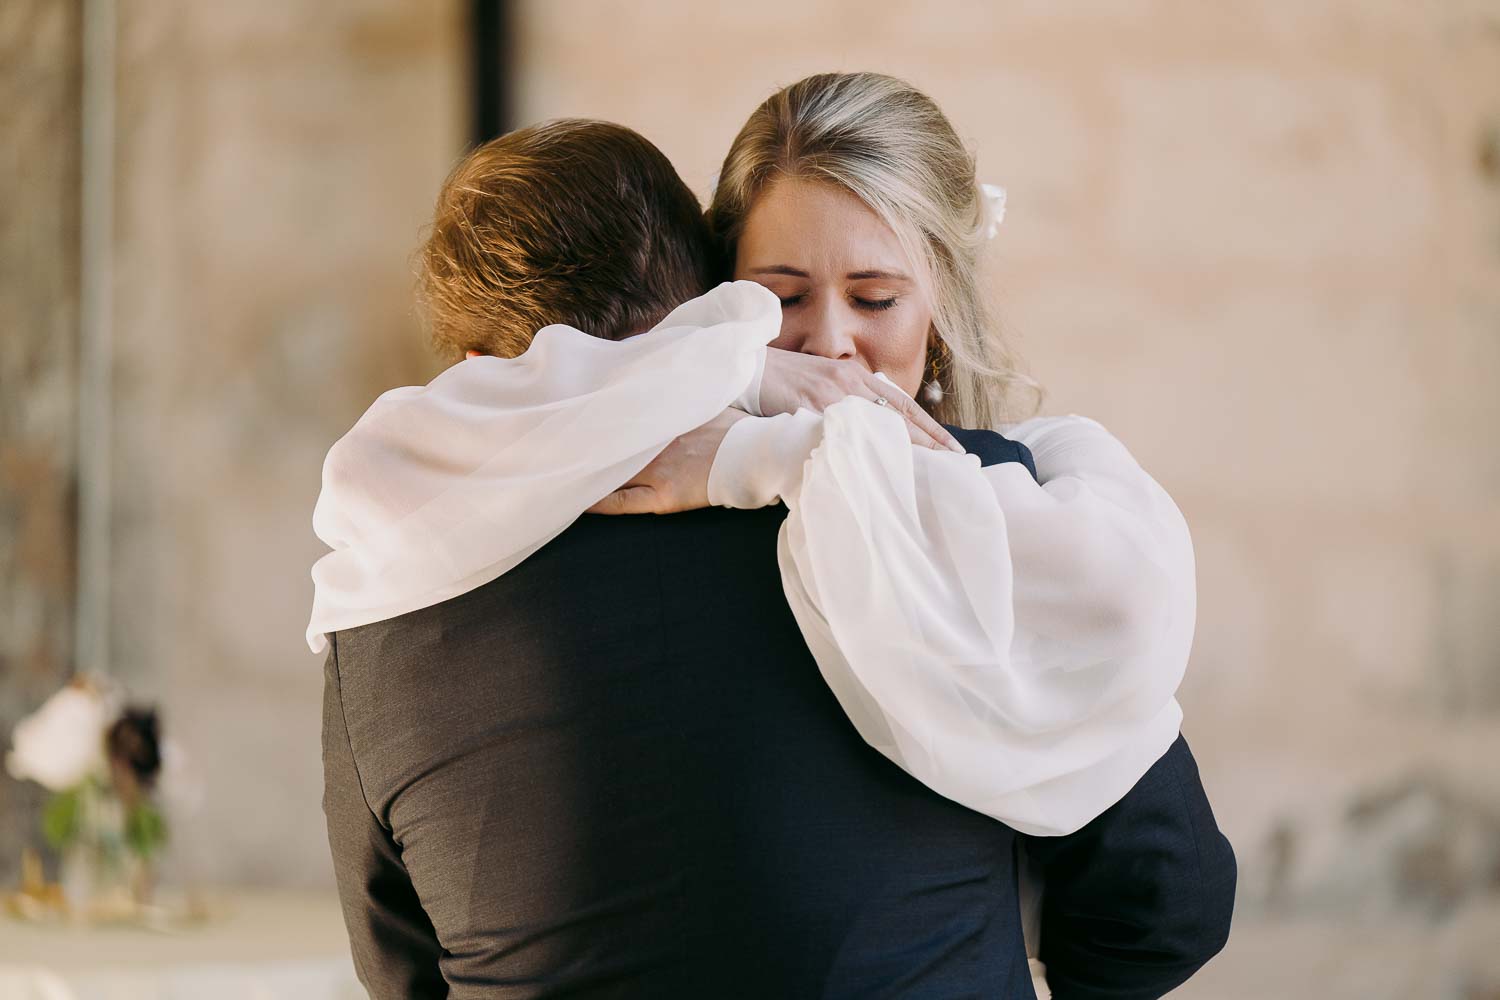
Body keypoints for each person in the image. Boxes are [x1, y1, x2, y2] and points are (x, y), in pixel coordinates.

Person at [316, 96, 1233, 1000]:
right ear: (712, 303)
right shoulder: (968, 508)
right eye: (783, 297)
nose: (831, 347)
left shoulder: (388, 584)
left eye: (874, 296)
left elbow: (402, 972)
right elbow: (1167, 900)